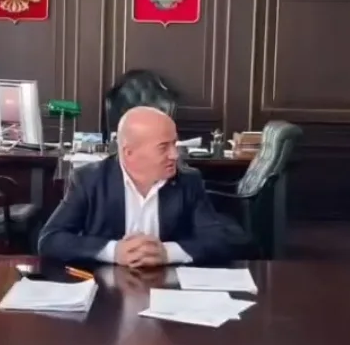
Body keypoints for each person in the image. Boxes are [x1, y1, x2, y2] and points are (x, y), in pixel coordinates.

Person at [37, 106, 252, 266]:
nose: (175, 155)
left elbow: (218, 241)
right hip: (105, 291)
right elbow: (50, 239)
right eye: (163, 147)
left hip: (169, 291)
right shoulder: (90, 180)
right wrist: (114, 252)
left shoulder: (187, 181)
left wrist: (167, 253)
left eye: (174, 144)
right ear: (129, 152)